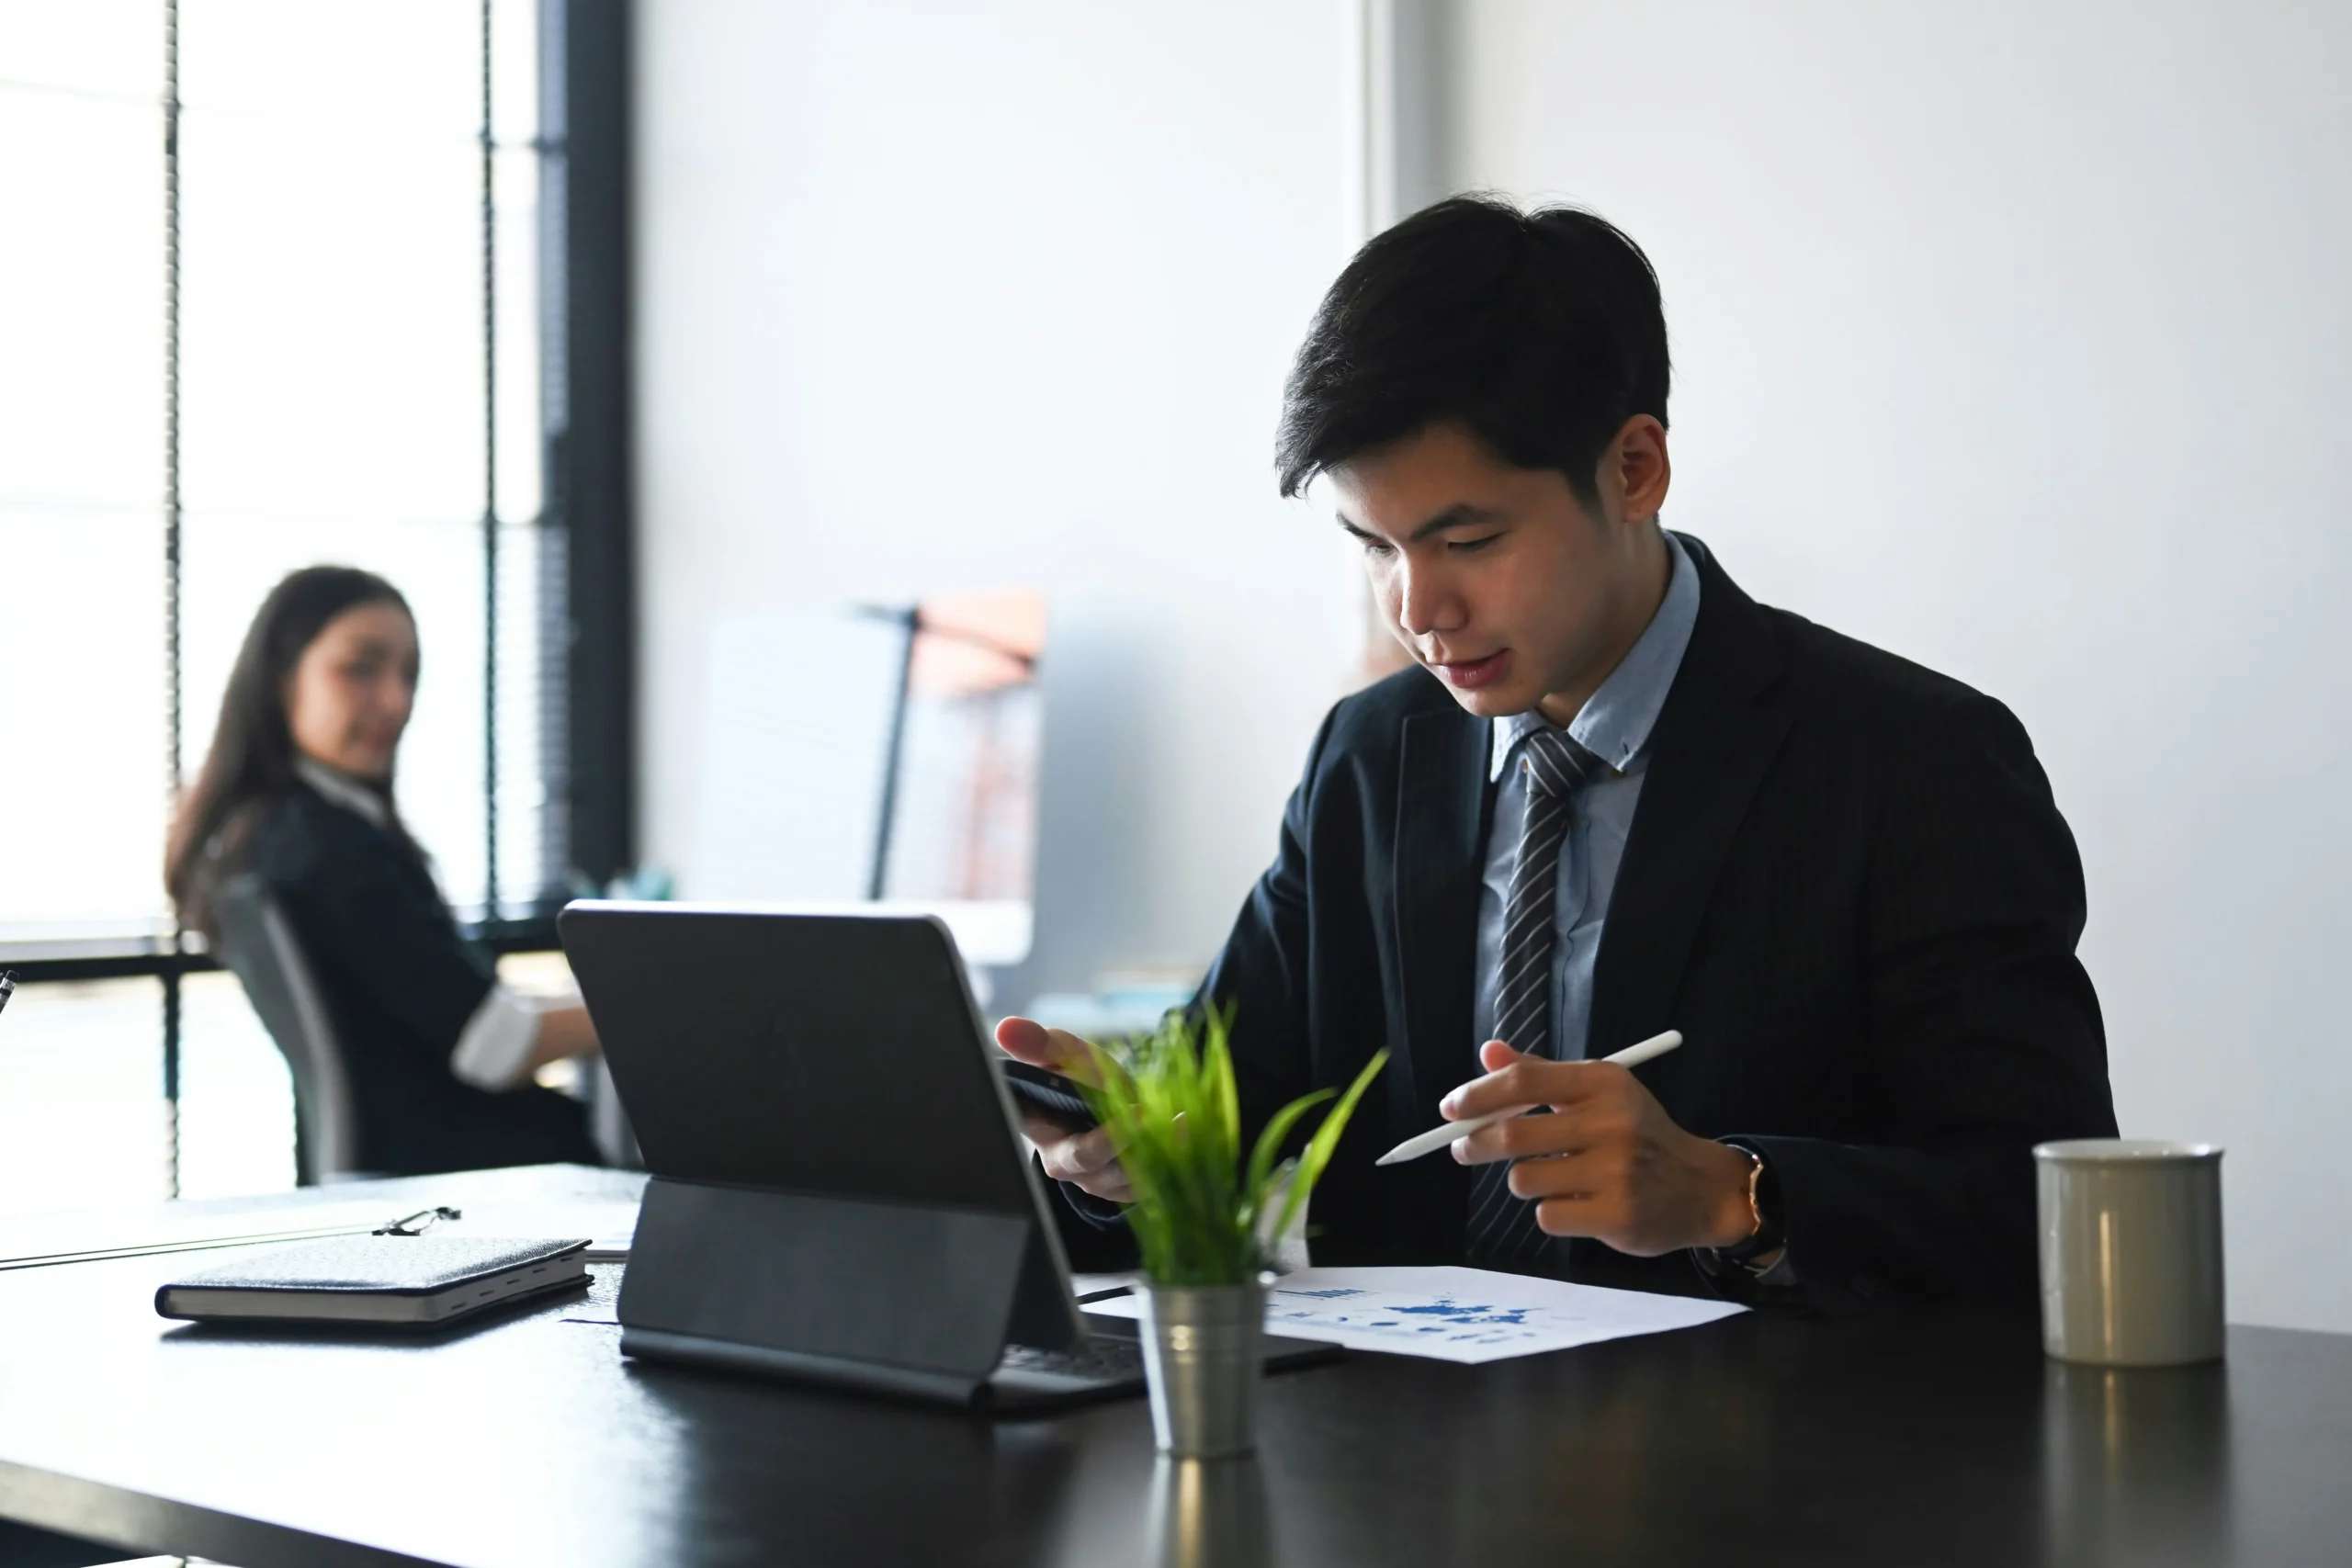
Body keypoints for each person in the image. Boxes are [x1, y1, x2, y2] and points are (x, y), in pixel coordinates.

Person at [1001, 196, 2117, 1309]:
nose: (1418, 607)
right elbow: (1221, 1114)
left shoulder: (1912, 762)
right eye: (1373, 548)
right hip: (1397, 1452)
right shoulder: (1369, 756)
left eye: (1469, 540)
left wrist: (1738, 1196)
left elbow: (2049, 1218)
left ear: (1634, 470)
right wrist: (1123, 1155)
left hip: (1777, 1462)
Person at [166, 566, 603, 1176]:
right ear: (280, 676)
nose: (398, 701)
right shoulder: (331, 848)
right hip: (466, 1186)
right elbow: (493, 1045)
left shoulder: (262, 836)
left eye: (409, 674)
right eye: (361, 668)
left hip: (401, 1175)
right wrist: (649, 1006)